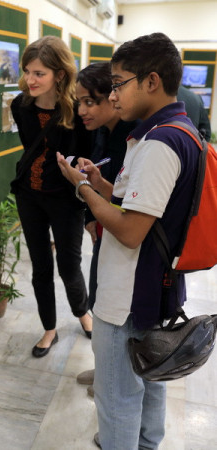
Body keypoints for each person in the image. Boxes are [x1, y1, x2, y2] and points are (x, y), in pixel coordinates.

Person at [57, 32, 199, 449]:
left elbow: (132, 231)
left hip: (128, 295)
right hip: (154, 286)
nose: (113, 95)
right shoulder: (180, 130)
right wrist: (101, 184)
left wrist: (82, 188)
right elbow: (146, 210)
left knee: (117, 396)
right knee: (149, 379)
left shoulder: (160, 143)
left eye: (119, 83)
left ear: (151, 81)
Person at [10, 36, 93, 358]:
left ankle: (82, 313)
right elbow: (29, 148)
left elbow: (83, 156)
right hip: (29, 196)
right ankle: (49, 329)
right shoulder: (21, 105)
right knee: (40, 266)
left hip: (65, 199)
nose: (30, 80)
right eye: (27, 71)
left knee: (69, 265)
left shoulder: (77, 109)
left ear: (60, 74)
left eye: (39, 73)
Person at [73, 62, 139, 393]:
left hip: (125, 237)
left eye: (89, 101)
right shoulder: (102, 131)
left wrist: (85, 187)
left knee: (117, 316)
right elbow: (103, 181)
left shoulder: (137, 137)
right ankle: (103, 371)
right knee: (99, 301)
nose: (82, 110)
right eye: (79, 102)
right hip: (105, 230)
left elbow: (127, 204)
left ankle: (112, 380)